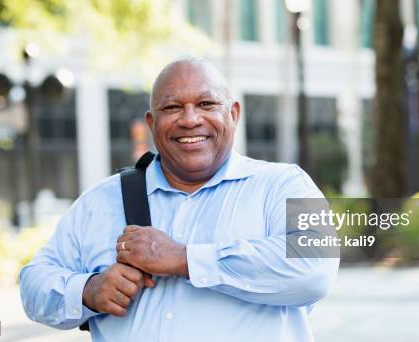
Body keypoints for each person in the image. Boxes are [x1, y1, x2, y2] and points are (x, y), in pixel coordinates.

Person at [19, 56, 339, 341]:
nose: (190, 119)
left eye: (206, 104)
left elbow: (315, 266)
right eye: (172, 107)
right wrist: (87, 291)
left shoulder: (286, 184)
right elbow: (34, 282)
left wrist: (184, 259)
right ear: (151, 123)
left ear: (234, 114)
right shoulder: (101, 199)